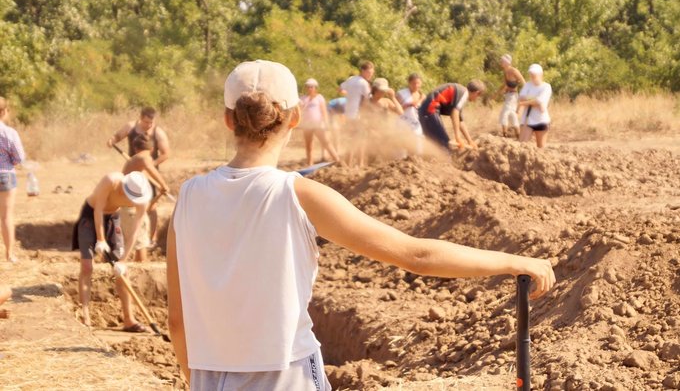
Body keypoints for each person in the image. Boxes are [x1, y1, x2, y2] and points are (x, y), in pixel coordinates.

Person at [166, 60, 555, 391]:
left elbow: (178, 321)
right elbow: (416, 254)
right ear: (296, 117)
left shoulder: (187, 197)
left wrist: (197, 375)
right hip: (287, 375)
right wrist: (513, 261)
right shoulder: (297, 194)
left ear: (228, 119)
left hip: (208, 376)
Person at [72, 171, 152, 331]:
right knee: (87, 267)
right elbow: (98, 211)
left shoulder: (143, 197)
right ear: (123, 190)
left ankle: (129, 320)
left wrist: (123, 260)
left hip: (113, 219)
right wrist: (101, 239)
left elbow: (135, 231)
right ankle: (85, 316)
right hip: (90, 216)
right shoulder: (111, 181)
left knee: (123, 273)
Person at [107, 106, 170, 247]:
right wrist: (112, 140)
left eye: (151, 123)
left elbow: (166, 153)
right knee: (130, 205)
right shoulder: (131, 127)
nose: (148, 125)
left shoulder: (158, 132)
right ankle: (126, 238)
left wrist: (149, 164)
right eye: (146, 122)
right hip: (133, 172)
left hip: (150, 172)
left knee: (151, 206)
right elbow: (117, 137)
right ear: (141, 118)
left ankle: (151, 238)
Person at [121, 134, 170, 262]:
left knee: (138, 245)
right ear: (152, 149)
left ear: (135, 148)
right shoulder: (143, 158)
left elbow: (148, 172)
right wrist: (164, 185)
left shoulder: (134, 162)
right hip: (133, 211)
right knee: (141, 246)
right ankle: (140, 275)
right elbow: (152, 170)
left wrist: (160, 191)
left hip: (129, 210)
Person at [418, 80, 486, 152]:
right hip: (430, 110)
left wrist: (470, 141)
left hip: (425, 112)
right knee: (444, 144)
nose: (476, 100)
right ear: (477, 93)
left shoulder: (460, 93)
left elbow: (460, 121)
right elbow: (455, 113)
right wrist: (458, 137)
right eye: (478, 97)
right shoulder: (464, 93)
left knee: (434, 143)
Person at [0, 97, 25, 263]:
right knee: (6, 216)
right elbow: (19, 158)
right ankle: (9, 254)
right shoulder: (9, 133)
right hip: (5, 175)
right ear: (3, 112)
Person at [299, 79, 341, 166]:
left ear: (315, 88)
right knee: (309, 145)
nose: (310, 88)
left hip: (318, 124)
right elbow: (300, 110)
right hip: (307, 125)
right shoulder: (303, 99)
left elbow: (324, 111)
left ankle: (337, 160)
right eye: (308, 86)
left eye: (312, 86)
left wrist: (326, 123)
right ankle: (310, 164)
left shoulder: (319, 97)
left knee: (326, 142)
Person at [340, 62, 374, 167]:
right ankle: (360, 164)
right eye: (369, 72)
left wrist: (350, 96)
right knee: (361, 140)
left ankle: (348, 163)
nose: (370, 75)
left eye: (372, 73)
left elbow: (341, 89)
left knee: (351, 140)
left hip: (348, 114)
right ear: (363, 71)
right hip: (358, 115)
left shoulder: (351, 79)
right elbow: (369, 99)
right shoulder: (363, 83)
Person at [518, 64, 552, 148]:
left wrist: (525, 103)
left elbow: (539, 101)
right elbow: (521, 98)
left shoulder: (546, 87)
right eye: (531, 73)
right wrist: (533, 101)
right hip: (527, 119)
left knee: (541, 147)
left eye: (535, 73)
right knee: (522, 145)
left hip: (541, 120)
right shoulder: (527, 85)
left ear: (540, 74)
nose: (532, 75)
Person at [496, 54, 525, 139]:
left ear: (507, 62)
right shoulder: (505, 72)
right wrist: (497, 93)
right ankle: (518, 135)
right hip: (508, 95)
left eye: (502, 61)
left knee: (505, 113)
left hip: (513, 96)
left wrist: (525, 94)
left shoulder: (513, 70)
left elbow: (523, 81)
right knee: (512, 114)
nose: (501, 63)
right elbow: (505, 84)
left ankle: (504, 134)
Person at [397, 73, 426, 154]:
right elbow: (395, 108)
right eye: (414, 83)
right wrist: (407, 105)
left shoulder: (422, 96)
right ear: (409, 83)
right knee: (402, 148)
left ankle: (416, 162)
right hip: (403, 122)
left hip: (415, 123)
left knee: (418, 145)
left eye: (418, 83)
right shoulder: (401, 93)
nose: (416, 85)